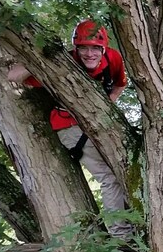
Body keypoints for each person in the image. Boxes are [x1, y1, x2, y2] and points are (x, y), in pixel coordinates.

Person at [8, 20, 133, 239]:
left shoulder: (113, 58)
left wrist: (107, 106)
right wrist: (41, 58)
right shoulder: (62, 63)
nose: (89, 53)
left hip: (102, 123)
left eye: (95, 47)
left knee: (129, 170)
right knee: (109, 178)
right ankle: (122, 238)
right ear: (76, 48)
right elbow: (13, 76)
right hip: (70, 127)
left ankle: (135, 229)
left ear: (103, 48)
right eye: (83, 47)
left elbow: (120, 84)